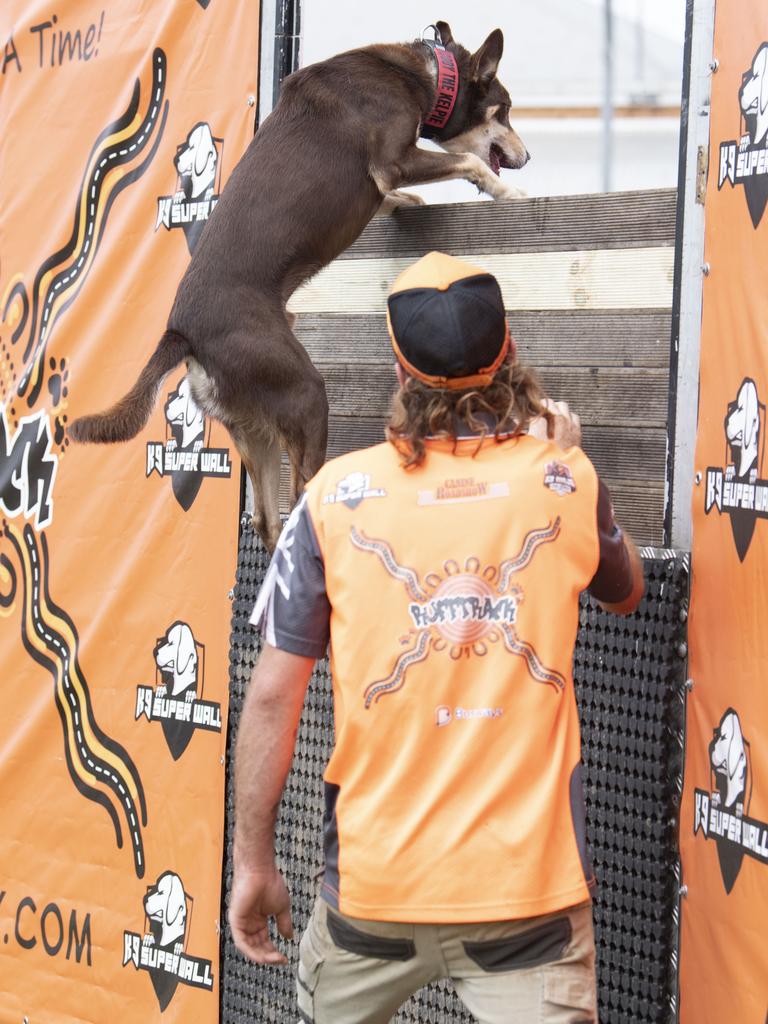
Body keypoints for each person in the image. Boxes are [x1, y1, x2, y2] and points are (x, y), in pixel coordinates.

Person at [229, 251, 644, 1024]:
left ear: (399, 366)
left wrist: (252, 861)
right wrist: (573, 462)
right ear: (510, 351)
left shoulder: (332, 499)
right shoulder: (566, 476)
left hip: (370, 903)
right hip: (527, 910)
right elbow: (626, 593)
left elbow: (271, 699)